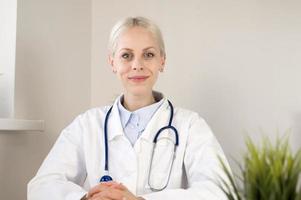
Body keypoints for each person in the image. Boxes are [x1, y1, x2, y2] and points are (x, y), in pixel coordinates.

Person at [28, 16, 230, 200]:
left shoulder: (190, 126)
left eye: (148, 54)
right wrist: (85, 199)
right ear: (112, 62)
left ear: (162, 61)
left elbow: (219, 191)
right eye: (126, 55)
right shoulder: (87, 124)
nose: (137, 65)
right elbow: (41, 186)